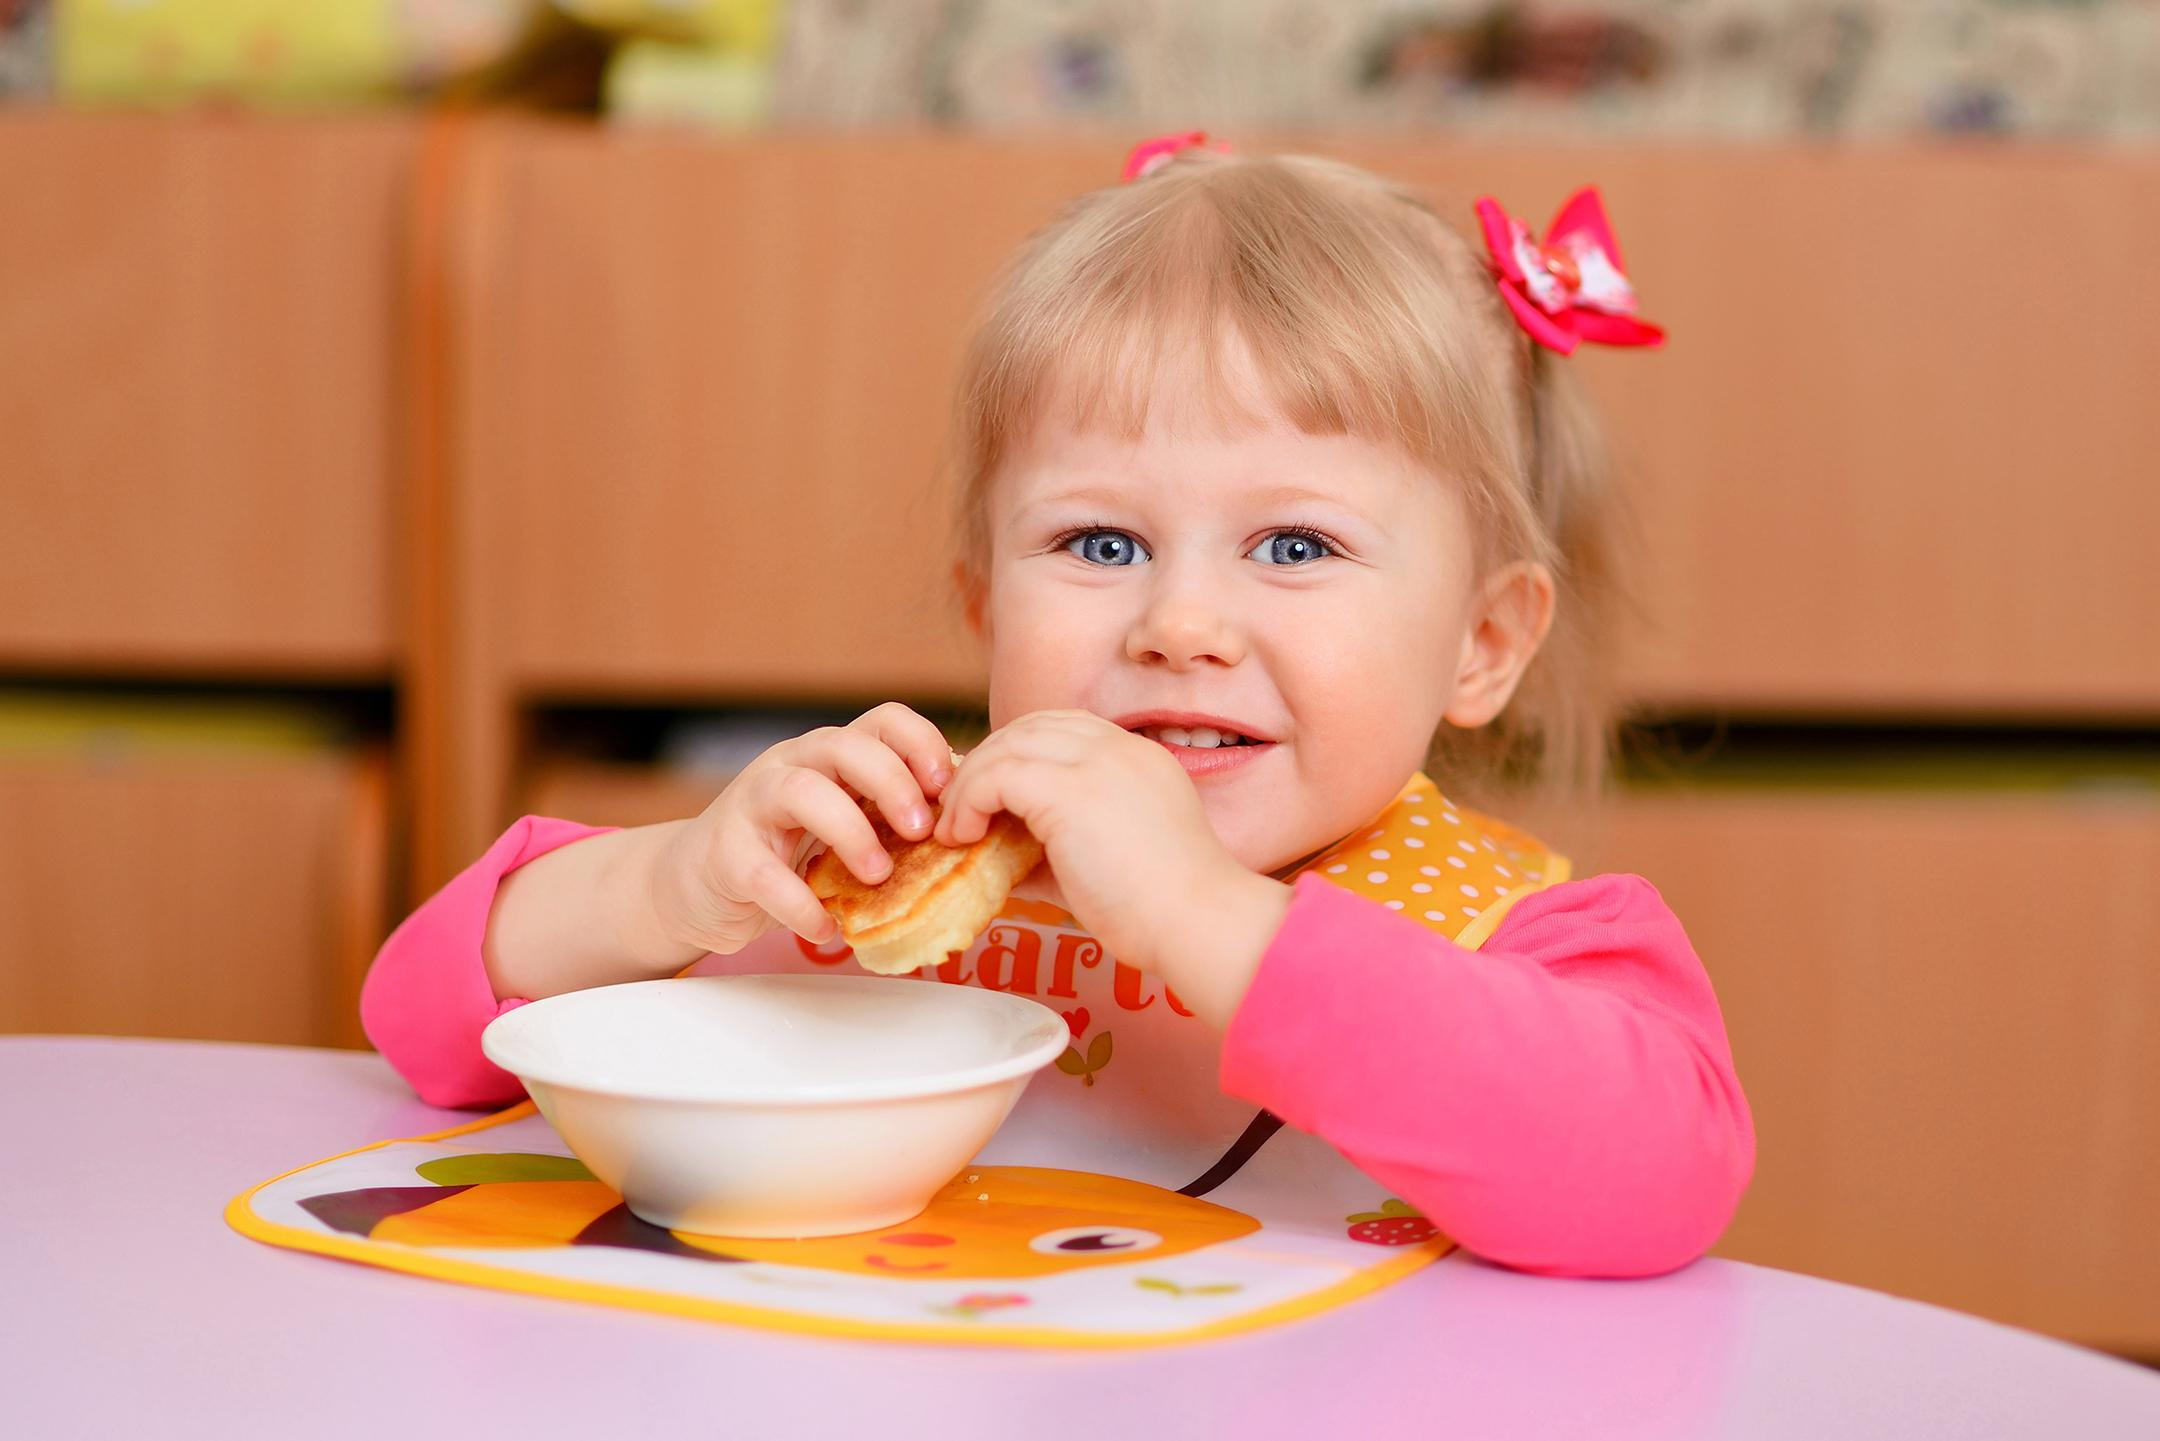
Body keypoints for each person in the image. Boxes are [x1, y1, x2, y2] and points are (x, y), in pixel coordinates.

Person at [362, 136, 1753, 1279]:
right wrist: (667, 882)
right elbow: (419, 1024)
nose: (1179, 625)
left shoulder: (1526, 942)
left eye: (1294, 546)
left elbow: (1655, 1186)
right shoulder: (897, 869)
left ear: (1483, 641)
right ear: (984, 610)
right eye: (1099, 545)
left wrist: (1200, 914)